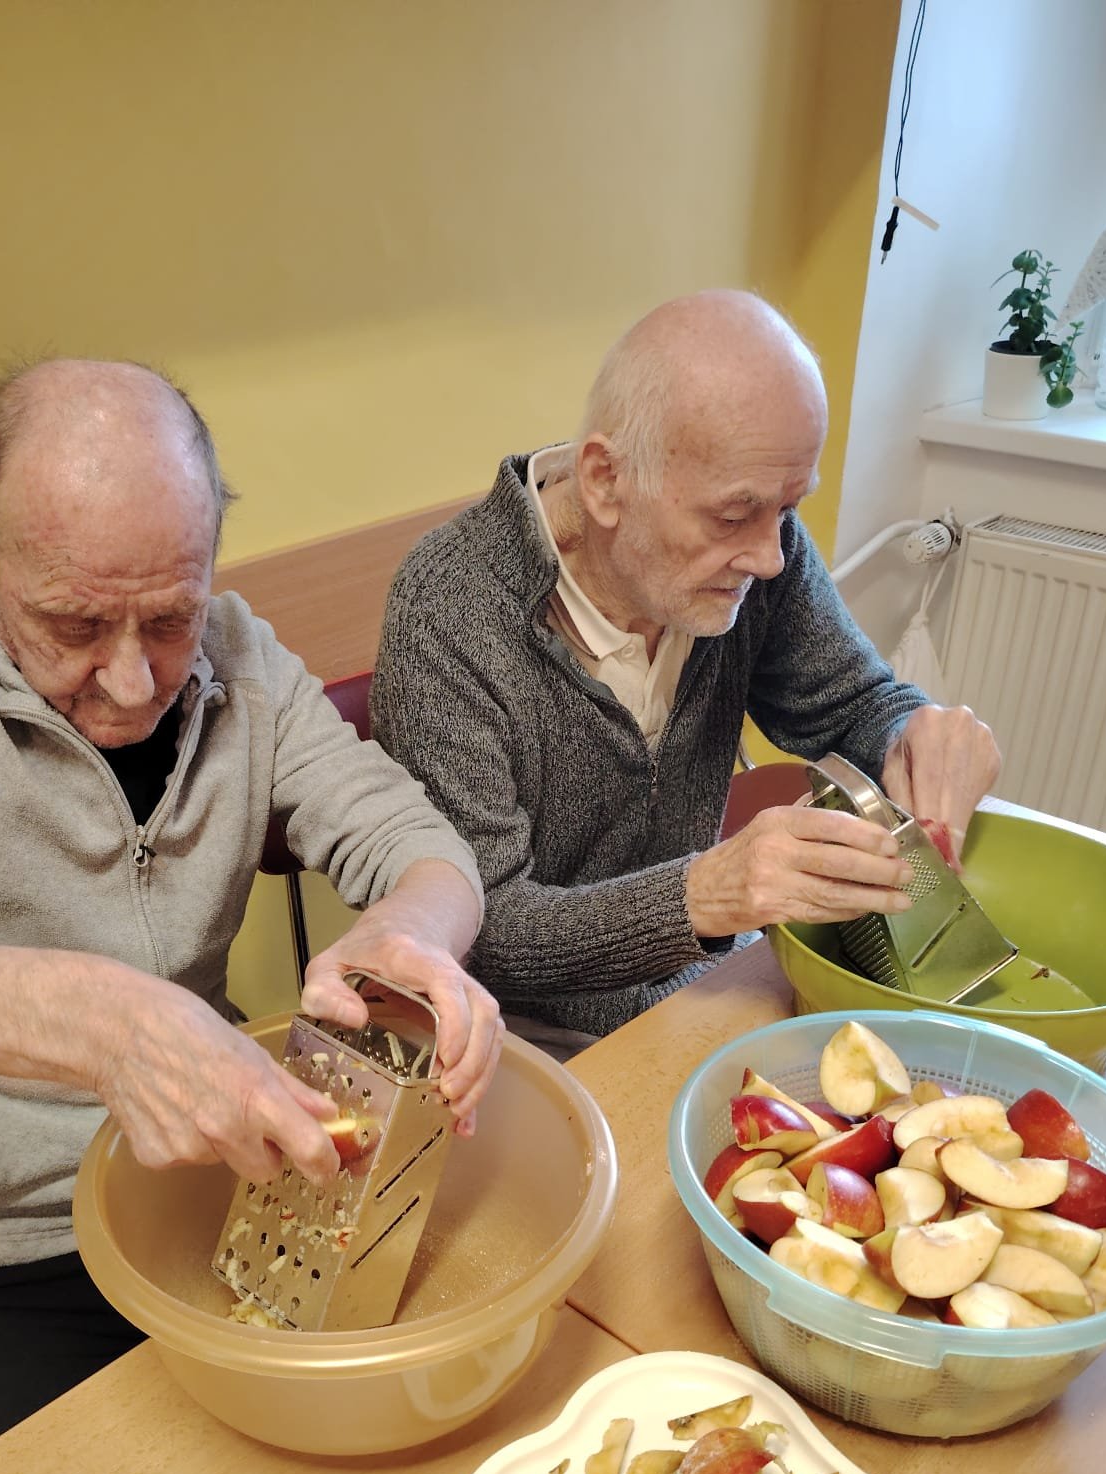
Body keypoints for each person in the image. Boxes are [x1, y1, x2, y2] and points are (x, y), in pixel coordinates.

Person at [0, 359, 502, 1474]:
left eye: (170, 617)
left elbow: (423, 845)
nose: (133, 683)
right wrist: (94, 1022)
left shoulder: (242, 655)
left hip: (204, 1189)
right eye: (74, 622)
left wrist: (413, 932)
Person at [371, 290, 1001, 1048]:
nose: (770, 557)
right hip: (517, 1032)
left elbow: (851, 703)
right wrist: (703, 895)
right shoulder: (450, 610)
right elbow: (484, 927)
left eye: (789, 508)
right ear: (605, 481)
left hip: (701, 984)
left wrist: (912, 735)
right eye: (733, 516)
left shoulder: (757, 549)